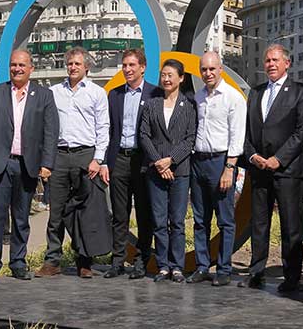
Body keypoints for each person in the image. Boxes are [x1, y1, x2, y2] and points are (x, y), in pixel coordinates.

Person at [0, 49, 59, 282]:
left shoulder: (44, 95)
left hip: (27, 166)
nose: (17, 69)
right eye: (13, 65)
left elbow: (51, 133)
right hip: (0, 165)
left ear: (31, 68)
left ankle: (18, 263)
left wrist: (47, 163)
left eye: (22, 65)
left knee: (21, 219)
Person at [238, 44, 303, 293]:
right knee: (259, 224)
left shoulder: (299, 92)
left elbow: (302, 132)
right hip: (259, 169)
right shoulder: (255, 93)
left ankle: (292, 277)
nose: (270, 64)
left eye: (275, 60)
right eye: (267, 60)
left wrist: (279, 158)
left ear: (287, 63)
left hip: (287, 170)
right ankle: (256, 272)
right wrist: (253, 155)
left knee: (291, 226)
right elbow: (246, 131)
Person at [35, 47, 110, 279]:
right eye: (70, 64)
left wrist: (98, 159)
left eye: (77, 63)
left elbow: (103, 128)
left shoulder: (97, 93)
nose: (73, 67)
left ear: (86, 66)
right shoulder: (54, 92)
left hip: (85, 156)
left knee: (84, 212)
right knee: (55, 211)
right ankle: (52, 260)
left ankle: (84, 261)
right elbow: (45, 127)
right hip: (59, 155)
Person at [102, 49, 162, 280]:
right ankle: (117, 261)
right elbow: (109, 131)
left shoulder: (155, 93)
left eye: (132, 65)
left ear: (143, 67)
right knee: (119, 213)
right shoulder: (115, 95)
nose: (127, 69)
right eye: (124, 65)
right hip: (120, 159)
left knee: (145, 214)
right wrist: (107, 162)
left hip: (144, 161)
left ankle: (141, 260)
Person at [187, 51, 246, 287]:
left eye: (212, 69)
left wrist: (229, 167)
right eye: (204, 69)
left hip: (221, 162)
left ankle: (224, 269)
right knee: (200, 220)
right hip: (198, 162)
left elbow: (237, 135)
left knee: (225, 220)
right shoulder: (198, 97)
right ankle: (202, 266)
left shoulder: (233, 97)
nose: (208, 73)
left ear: (220, 69)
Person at [139, 58, 196, 283]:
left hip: (180, 171)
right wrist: (158, 162)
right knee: (159, 221)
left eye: (171, 75)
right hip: (155, 171)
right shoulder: (151, 104)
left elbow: (190, 138)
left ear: (181, 78)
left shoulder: (189, 105)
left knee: (178, 221)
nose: (166, 79)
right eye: (163, 75)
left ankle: (177, 266)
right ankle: (162, 265)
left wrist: (171, 160)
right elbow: (143, 135)